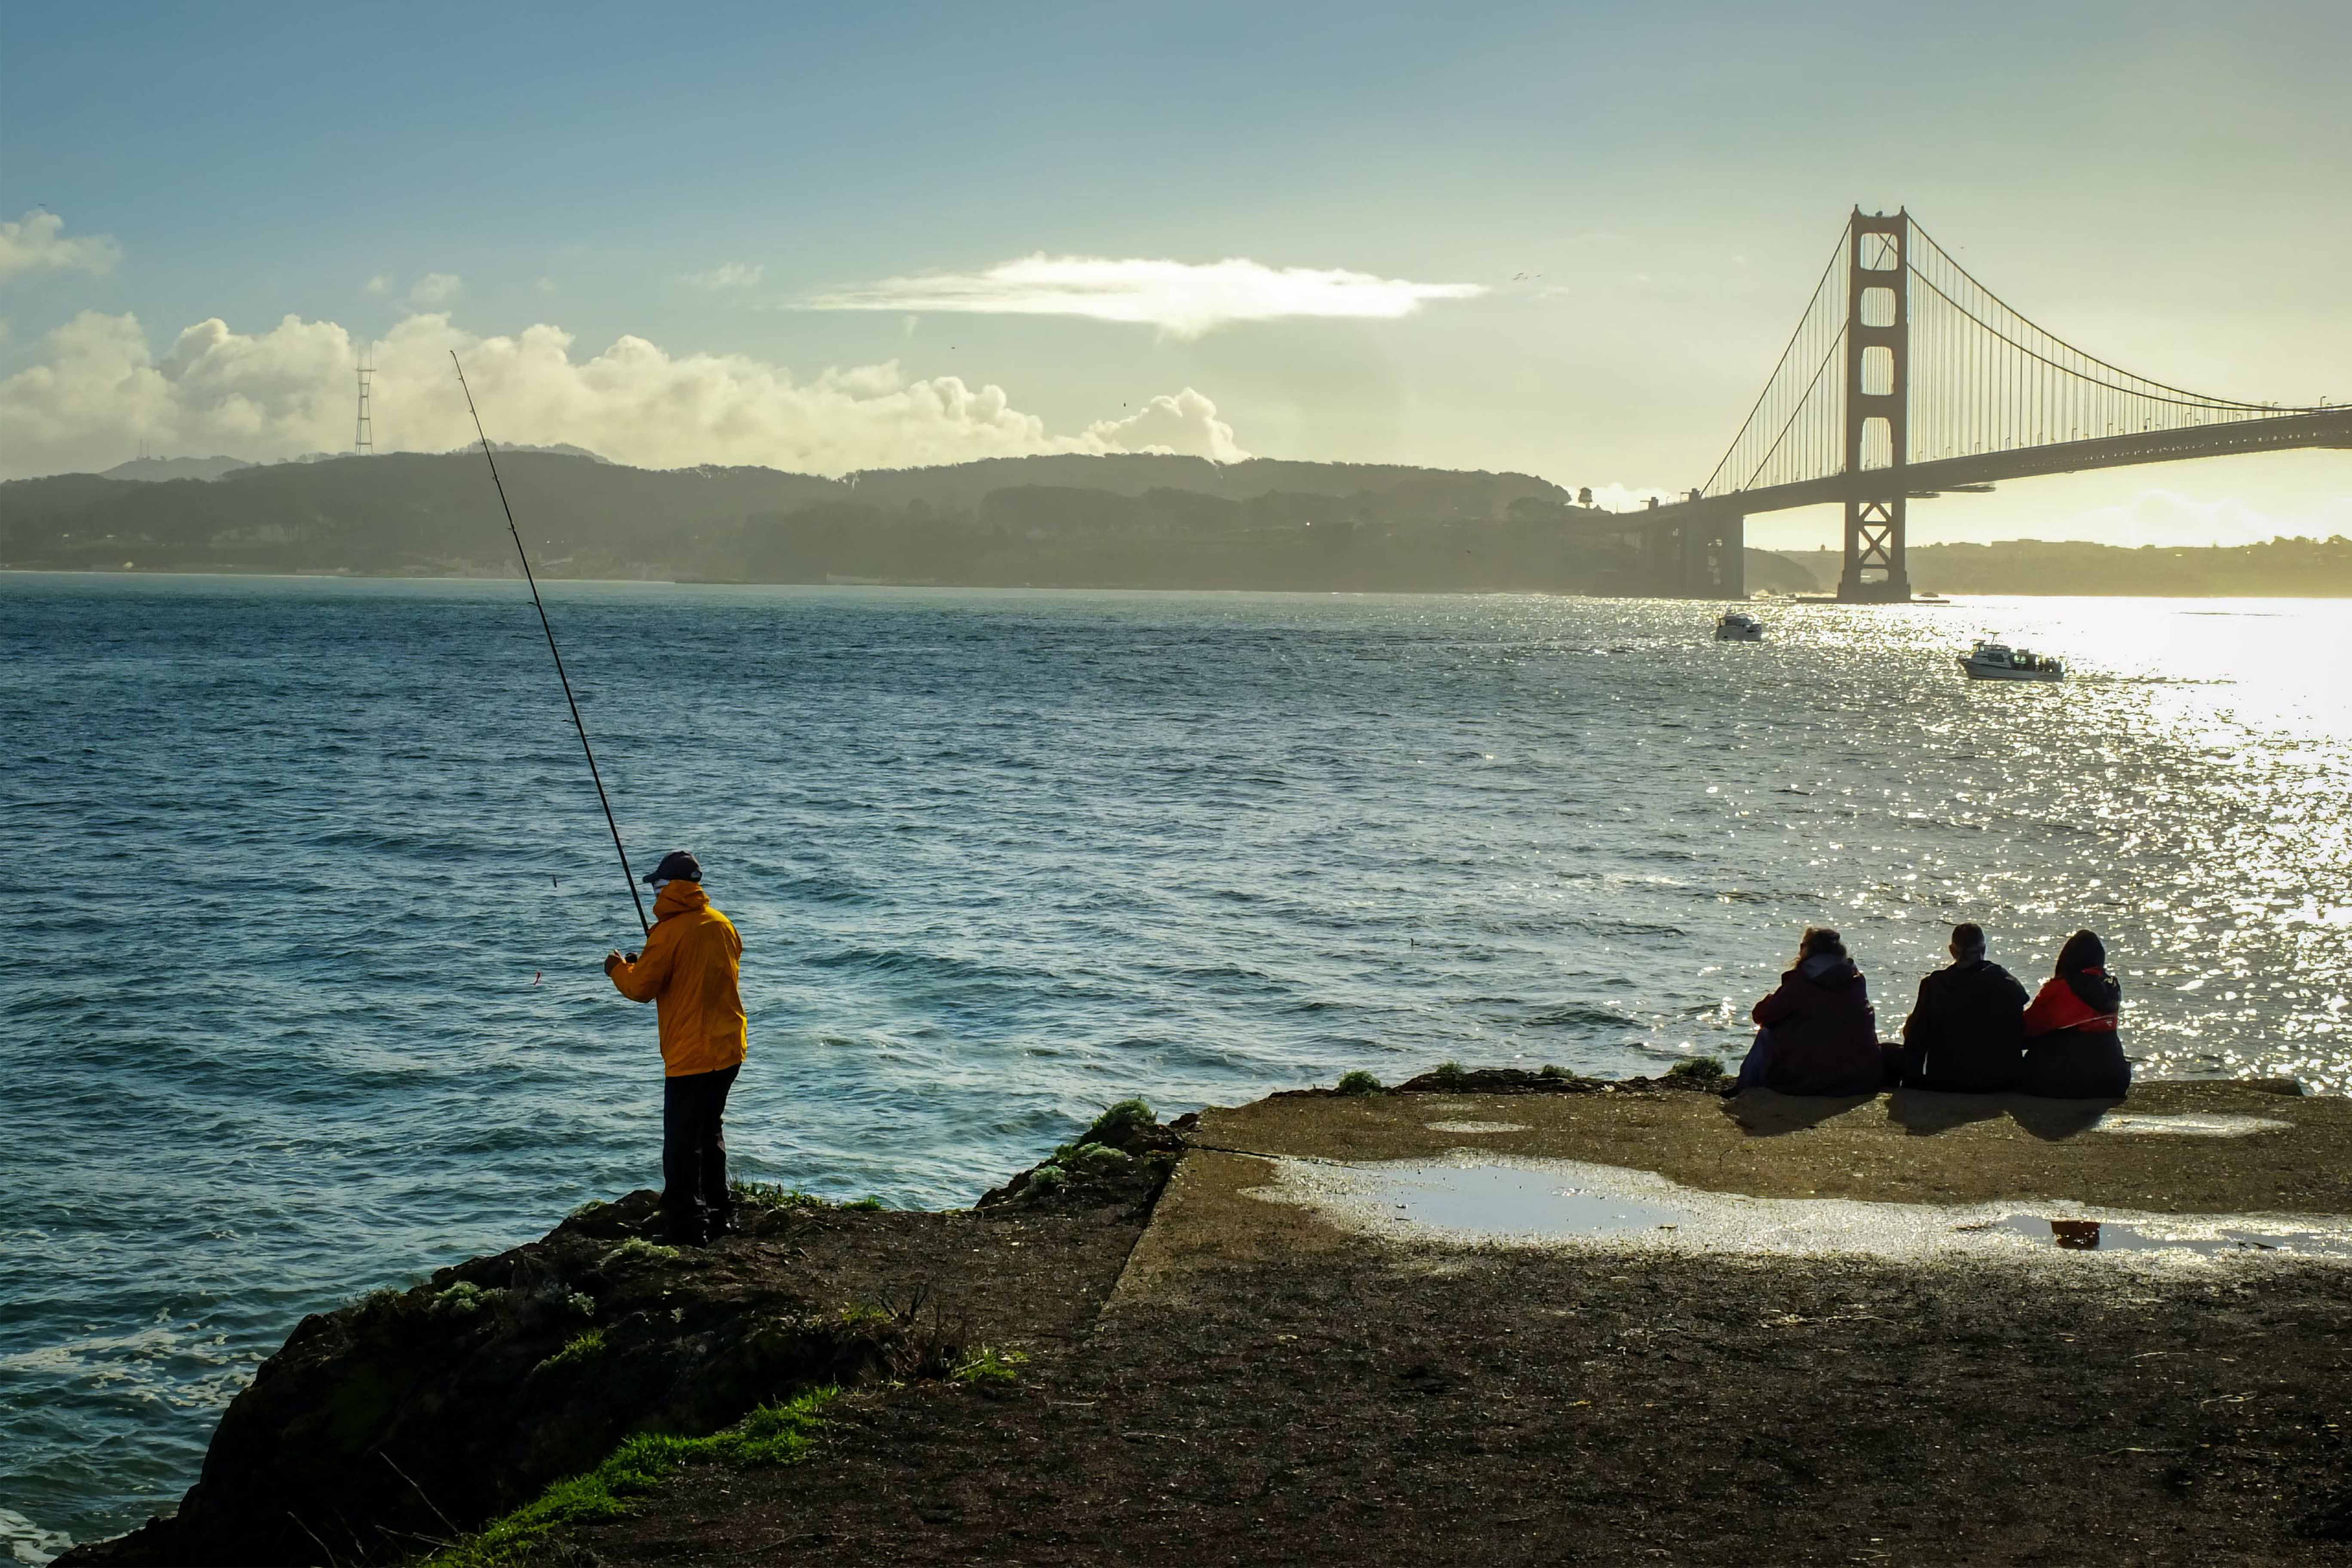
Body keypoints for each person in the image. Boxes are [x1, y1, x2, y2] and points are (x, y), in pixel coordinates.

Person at [605, 850, 747, 1244]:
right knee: (710, 1131)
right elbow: (707, 965)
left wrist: (618, 967)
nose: (652, 894)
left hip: (691, 1054)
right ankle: (720, 1214)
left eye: (656, 886)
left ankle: (687, 1227)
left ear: (667, 888)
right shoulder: (721, 924)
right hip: (729, 1048)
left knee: (682, 1144)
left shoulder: (668, 933)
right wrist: (655, 954)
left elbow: (640, 988)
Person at [1736, 927, 1884, 1096]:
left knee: (1767, 1033)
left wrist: (1775, 996)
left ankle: (1745, 1090)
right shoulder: (1856, 979)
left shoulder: (1803, 981)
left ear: (1806, 950)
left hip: (1812, 1080)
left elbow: (1762, 1016)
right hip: (1862, 1077)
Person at [1898, 922, 2028, 1092]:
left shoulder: (1934, 985)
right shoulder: (2007, 983)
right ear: (1984, 949)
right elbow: (2019, 1031)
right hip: (1998, 1082)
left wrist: (1911, 1083)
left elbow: (1916, 1038)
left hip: (1946, 1080)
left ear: (1952, 951)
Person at [2019, 929, 2129, 1099]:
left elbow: (2027, 1030)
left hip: (2066, 1081)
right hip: (2114, 1081)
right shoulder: (2111, 987)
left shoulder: (2061, 987)